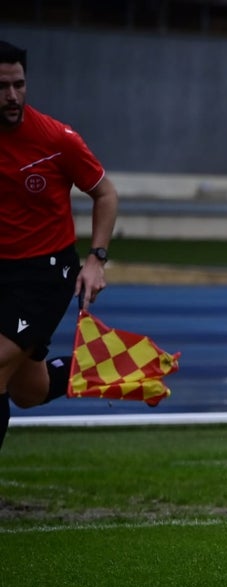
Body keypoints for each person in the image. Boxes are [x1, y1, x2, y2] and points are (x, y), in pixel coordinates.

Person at [0, 40, 117, 451]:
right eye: (2, 87)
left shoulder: (56, 138)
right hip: (3, 271)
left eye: (19, 84)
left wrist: (96, 259)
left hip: (44, 274)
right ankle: (100, 368)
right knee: (27, 391)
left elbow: (106, 195)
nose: (12, 95)